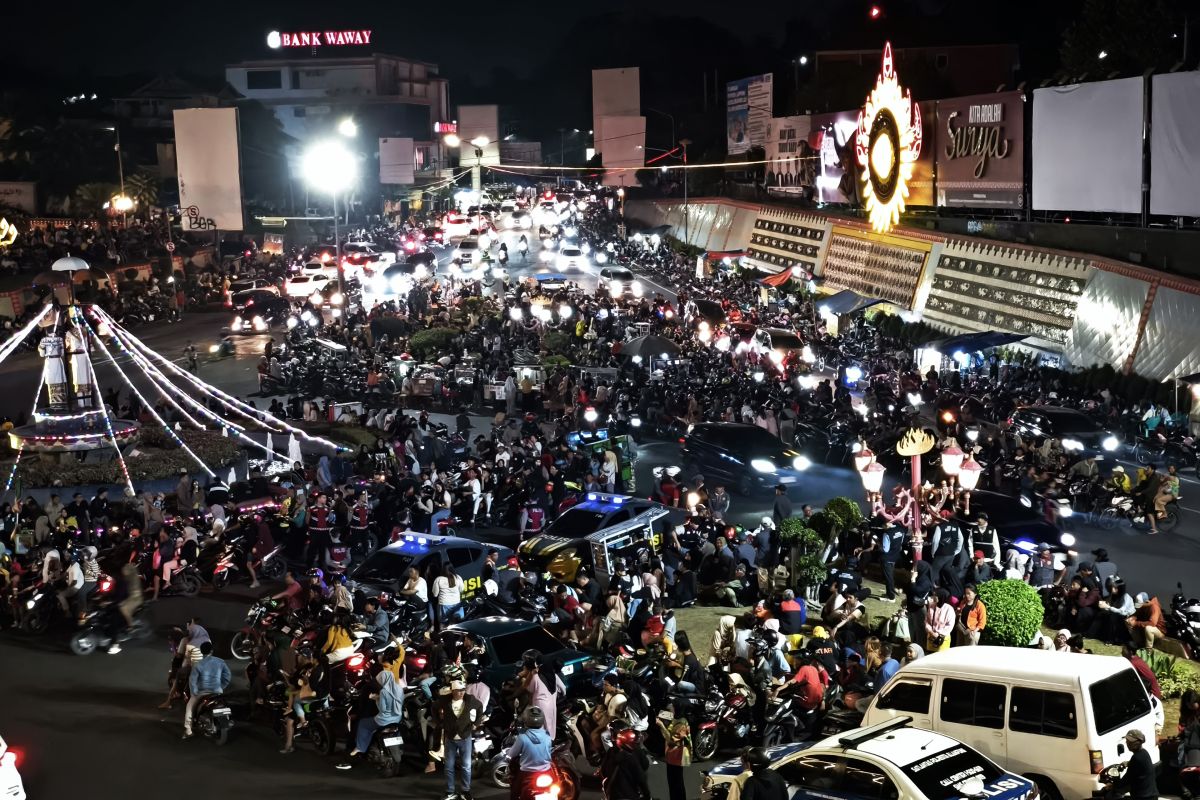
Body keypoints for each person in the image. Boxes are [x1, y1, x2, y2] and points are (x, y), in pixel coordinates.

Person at [336, 667, 404, 769]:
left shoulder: (382, 691)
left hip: (384, 720)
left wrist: (375, 698)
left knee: (363, 724)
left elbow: (382, 709)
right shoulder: (398, 688)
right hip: (397, 718)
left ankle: (359, 748)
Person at [434, 679, 484, 800]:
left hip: (465, 737)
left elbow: (480, 707)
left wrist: (476, 723)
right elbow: (434, 707)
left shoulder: (470, 699)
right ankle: (449, 791)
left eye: (463, 690)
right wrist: (439, 722)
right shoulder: (445, 700)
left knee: (466, 765)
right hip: (450, 737)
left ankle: (465, 790)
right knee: (449, 766)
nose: (461, 693)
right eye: (458, 691)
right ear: (452, 691)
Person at [183, 641, 231, 739]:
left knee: (189, 707)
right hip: (217, 692)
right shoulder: (220, 662)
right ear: (212, 651)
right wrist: (221, 686)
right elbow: (227, 676)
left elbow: (192, 681)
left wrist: (194, 693)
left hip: (202, 693)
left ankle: (188, 730)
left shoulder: (197, 665)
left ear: (201, 651)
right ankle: (226, 720)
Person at [507, 706, 553, 800]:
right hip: (546, 770)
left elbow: (512, 754)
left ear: (526, 720)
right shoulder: (547, 736)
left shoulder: (522, 737)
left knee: (515, 792)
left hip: (527, 772)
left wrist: (508, 752)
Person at [600, 724, 650, 800]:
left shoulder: (611, 750)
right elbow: (643, 772)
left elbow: (603, 771)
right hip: (630, 795)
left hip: (612, 794)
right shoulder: (634, 754)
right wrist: (647, 796)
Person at [1113, 728, 1158, 800]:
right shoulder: (1144, 753)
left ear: (1136, 743)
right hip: (1151, 795)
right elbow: (1140, 766)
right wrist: (1127, 763)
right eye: (1127, 741)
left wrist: (1113, 785)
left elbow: (1127, 779)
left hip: (1143, 797)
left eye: (1129, 742)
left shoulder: (1136, 758)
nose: (1127, 743)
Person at [659, 716, 691, 800]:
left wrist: (661, 725)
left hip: (676, 758)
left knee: (676, 782)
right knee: (673, 782)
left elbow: (671, 742)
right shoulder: (676, 721)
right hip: (672, 757)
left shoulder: (681, 724)